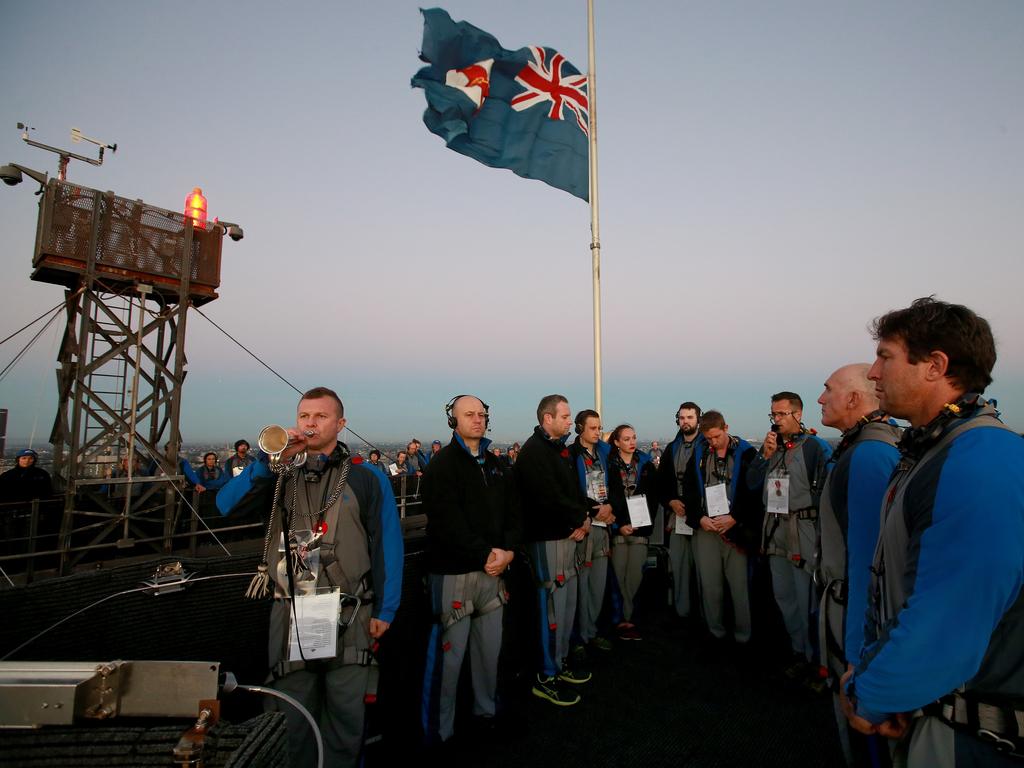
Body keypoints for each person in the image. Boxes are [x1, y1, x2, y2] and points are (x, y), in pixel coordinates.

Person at [839, 298, 1024, 767]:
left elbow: (948, 618)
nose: (875, 372)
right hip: (932, 708)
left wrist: (873, 691)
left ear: (935, 366)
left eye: (885, 356)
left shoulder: (979, 458)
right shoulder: (932, 451)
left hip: (970, 736)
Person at [216, 386, 403, 768]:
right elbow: (224, 506)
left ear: (341, 423)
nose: (310, 423)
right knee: (290, 713)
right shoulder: (279, 474)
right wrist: (270, 462)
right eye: (304, 416)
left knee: (346, 716)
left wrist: (386, 608)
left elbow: (388, 544)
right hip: (292, 610)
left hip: (350, 611)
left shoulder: (366, 479)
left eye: (320, 416)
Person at [420, 395, 521, 745]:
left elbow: (512, 511)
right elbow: (448, 522)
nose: (477, 420)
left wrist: (508, 551)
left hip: (493, 574)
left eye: (482, 414)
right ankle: (441, 732)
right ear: (454, 419)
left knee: (488, 653)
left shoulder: (496, 465)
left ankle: (485, 713)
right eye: (469, 414)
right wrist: (489, 554)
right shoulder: (441, 466)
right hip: (454, 575)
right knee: (450, 661)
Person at [815, 363, 901, 767]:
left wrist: (855, 657)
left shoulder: (867, 455)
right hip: (848, 606)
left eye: (828, 389)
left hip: (854, 613)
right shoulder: (864, 448)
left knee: (865, 740)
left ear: (853, 398)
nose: (820, 398)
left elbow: (868, 562)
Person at [746, 392, 832, 679]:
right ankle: (798, 651)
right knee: (785, 596)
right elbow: (751, 484)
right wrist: (763, 456)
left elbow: (826, 494)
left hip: (803, 529)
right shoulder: (772, 449)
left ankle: (817, 661)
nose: (776, 420)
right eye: (773, 414)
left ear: (798, 414)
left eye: (781, 414)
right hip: (775, 531)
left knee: (807, 597)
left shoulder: (815, 448)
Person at [515, 394, 591, 706]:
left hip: (567, 537)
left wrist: (583, 518)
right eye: (564, 416)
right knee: (551, 610)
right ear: (547, 418)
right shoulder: (534, 453)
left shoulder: (559, 450)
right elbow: (547, 497)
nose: (568, 422)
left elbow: (573, 491)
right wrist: (579, 519)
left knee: (567, 606)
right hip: (547, 541)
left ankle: (558, 663)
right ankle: (545, 674)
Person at [682, 411, 759, 647]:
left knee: (739, 586)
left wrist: (735, 518)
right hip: (708, 528)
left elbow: (754, 492)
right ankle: (715, 631)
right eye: (708, 438)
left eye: (716, 436)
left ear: (726, 427)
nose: (713, 442)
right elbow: (690, 491)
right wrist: (699, 518)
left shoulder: (746, 452)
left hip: (734, 530)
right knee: (710, 585)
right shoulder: (699, 454)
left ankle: (743, 634)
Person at [568, 409, 615, 655]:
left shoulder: (605, 453)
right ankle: (578, 636)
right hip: (584, 526)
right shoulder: (570, 454)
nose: (598, 432)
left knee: (598, 584)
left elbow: (614, 483)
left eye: (599, 427)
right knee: (581, 586)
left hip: (603, 526)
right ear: (580, 428)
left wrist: (610, 508)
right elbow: (570, 491)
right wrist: (591, 512)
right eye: (593, 428)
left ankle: (592, 631)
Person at [606, 424, 659, 641]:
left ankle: (632, 619)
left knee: (635, 576)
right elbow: (606, 498)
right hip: (618, 530)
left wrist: (641, 524)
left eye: (634, 438)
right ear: (617, 442)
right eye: (626, 439)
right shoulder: (608, 465)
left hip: (639, 530)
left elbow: (653, 498)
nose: (631, 442)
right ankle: (620, 619)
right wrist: (619, 525)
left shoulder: (646, 464)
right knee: (618, 576)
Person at [656, 402, 705, 623]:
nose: (686, 421)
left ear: (698, 419)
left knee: (705, 568)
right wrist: (671, 502)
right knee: (680, 566)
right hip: (678, 516)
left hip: (703, 518)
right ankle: (681, 612)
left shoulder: (707, 445)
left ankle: (706, 614)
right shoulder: (671, 448)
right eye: (682, 418)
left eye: (690, 417)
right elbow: (662, 483)